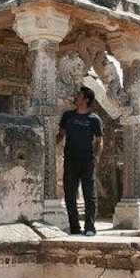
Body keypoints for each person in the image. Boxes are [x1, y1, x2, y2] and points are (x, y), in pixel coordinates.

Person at [56, 86, 103, 236]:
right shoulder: (68, 116)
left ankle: (90, 227)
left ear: (86, 100)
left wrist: (97, 157)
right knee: (70, 194)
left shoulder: (94, 119)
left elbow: (99, 141)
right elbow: (60, 135)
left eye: (79, 95)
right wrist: (51, 148)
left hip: (87, 161)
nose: (75, 97)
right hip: (70, 159)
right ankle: (74, 227)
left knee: (89, 195)